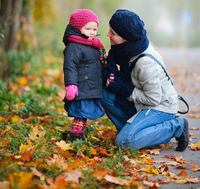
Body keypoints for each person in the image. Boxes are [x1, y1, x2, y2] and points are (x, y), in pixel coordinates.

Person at [101, 9, 189, 152]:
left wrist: (124, 88)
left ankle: (176, 126)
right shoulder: (127, 50)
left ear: (126, 39)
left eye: (113, 33)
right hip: (140, 104)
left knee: (124, 143)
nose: (108, 34)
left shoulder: (145, 63)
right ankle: (135, 132)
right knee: (103, 93)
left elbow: (153, 99)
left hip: (160, 107)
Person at [62, 9, 106, 139]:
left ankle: (82, 130)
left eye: (94, 29)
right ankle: (76, 133)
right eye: (88, 29)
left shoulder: (93, 45)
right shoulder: (74, 46)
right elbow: (70, 66)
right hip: (81, 86)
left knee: (86, 111)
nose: (92, 32)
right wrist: (71, 84)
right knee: (81, 110)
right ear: (78, 28)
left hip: (90, 85)